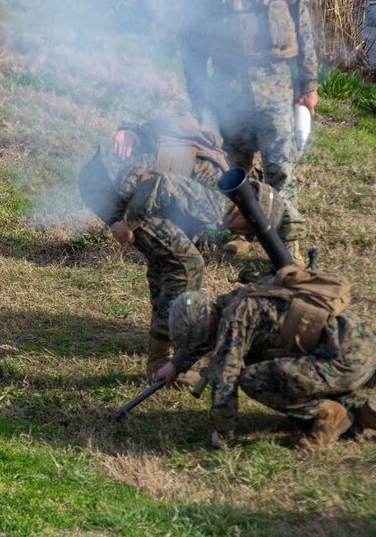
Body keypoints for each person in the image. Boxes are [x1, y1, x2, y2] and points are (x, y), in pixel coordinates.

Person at [78, 113, 301, 383]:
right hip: (111, 185)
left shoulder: (219, 191)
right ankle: (160, 361)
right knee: (187, 265)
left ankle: (160, 342)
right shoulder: (218, 203)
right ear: (249, 213)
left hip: (101, 178)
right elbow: (161, 185)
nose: (245, 234)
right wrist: (128, 223)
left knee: (169, 260)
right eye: (250, 229)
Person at [181, 0, 318, 261]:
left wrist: (308, 87)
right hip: (228, 91)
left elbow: (304, 35)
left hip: (274, 89)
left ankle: (287, 245)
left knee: (281, 170)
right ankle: (239, 232)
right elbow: (193, 45)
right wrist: (198, 95)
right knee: (232, 168)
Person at [155, 287, 376, 449]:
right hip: (358, 343)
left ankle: (335, 414)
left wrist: (223, 435)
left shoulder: (231, 325)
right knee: (265, 362)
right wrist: (176, 365)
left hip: (347, 362)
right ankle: (347, 403)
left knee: (254, 379)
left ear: (209, 327)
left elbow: (224, 386)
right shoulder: (234, 303)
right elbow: (207, 337)